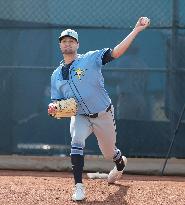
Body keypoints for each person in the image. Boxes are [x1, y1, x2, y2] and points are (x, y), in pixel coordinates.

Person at [48, 17, 150, 201]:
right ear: (60, 46)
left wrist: (135, 30)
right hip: (80, 116)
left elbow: (116, 53)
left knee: (108, 152)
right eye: (64, 41)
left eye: (71, 41)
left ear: (77, 44)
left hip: (103, 114)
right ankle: (78, 187)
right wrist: (54, 107)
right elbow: (57, 101)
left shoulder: (91, 58)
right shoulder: (56, 75)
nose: (67, 44)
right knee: (76, 141)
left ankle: (119, 162)